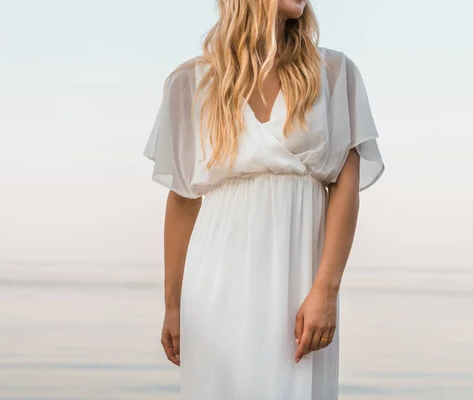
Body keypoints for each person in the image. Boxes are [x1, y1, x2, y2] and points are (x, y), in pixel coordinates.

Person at [142, 0, 384, 398]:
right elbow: (183, 202)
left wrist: (326, 290)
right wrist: (173, 305)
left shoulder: (334, 73)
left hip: (300, 280)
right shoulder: (191, 81)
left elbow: (345, 186)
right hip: (214, 281)